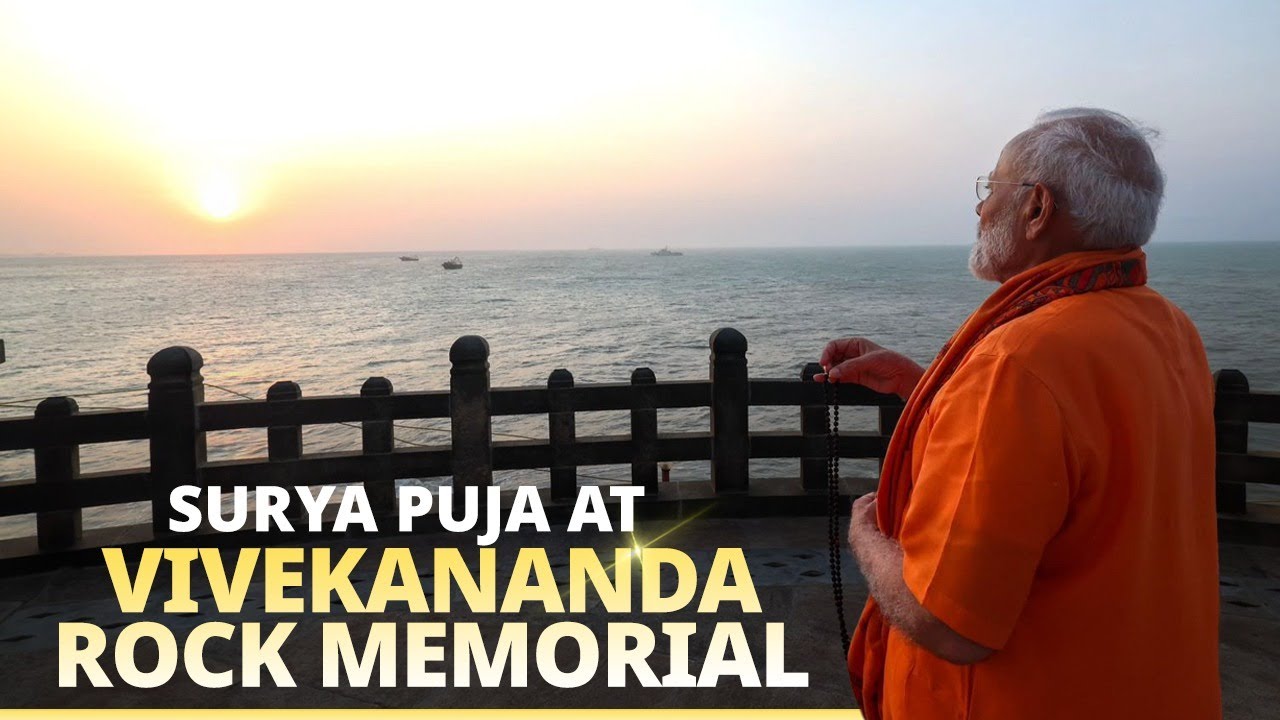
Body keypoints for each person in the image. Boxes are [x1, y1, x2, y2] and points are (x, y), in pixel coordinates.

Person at [816, 108, 1221, 719]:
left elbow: (950, 623)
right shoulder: (1164, 326)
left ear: (1037, 209)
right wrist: (928, 387)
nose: (980, 210)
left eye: (990, 189)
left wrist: (868, 539)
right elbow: (1087, 458)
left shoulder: (1017, 362)